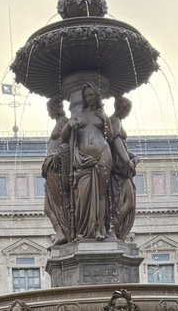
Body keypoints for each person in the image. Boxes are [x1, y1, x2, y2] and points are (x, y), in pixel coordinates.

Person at [68, 82, 113, 240]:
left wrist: (106, 121)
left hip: (103, 157)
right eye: (86, 95)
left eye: (91, 94)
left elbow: (111, 137)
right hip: (83, 160)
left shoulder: (103, 115)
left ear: (97, 96)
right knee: (83, 195)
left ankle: (99, 229)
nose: (89, 98)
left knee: (101, 195)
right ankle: (84, 230)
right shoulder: (79, 114)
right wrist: (71, 124)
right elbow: (66, 136)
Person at [42, 97, 72, 244]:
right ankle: (60, 233)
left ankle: (64, 232)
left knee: (59, 203)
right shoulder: (61, 122)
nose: (49, 114)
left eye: (49, 111)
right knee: (47, 208)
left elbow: (71, 142)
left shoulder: (65, 121)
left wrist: (59, 153)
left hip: (57, 167)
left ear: (56, 109)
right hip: (50, 169)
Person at [108, 96, 138, 240]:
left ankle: (114, 227)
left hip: (122, 169)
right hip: (118, 169)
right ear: (121, 108)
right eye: (127, 110)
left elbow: (122, 146)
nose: (128, 114)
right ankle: (112, 227)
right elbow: (115, 140)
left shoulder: (115, 120)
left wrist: (132, 157)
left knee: (126, 201)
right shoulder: (114, 120)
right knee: (127, 201)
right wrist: (127, 161)